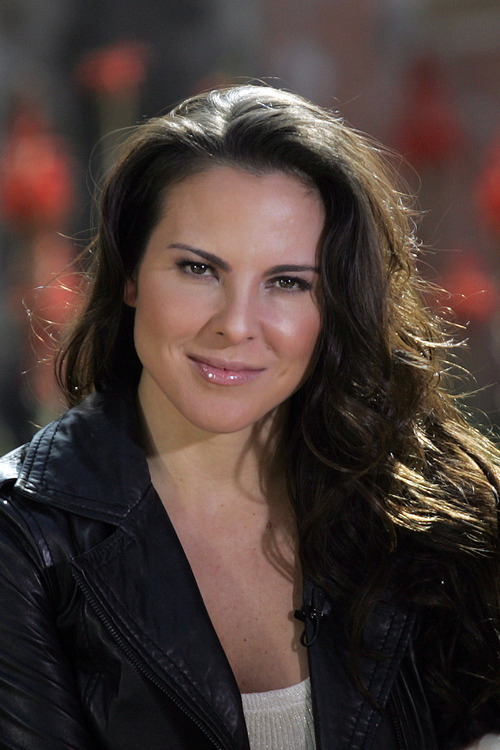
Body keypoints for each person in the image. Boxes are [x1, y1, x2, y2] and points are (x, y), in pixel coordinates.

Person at [0, 84, 499, 750]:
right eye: (198, 269)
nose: (236, 325)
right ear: (129, 275)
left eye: (287, 282)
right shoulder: (21, 543)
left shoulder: (440, 508)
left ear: (336, 303)